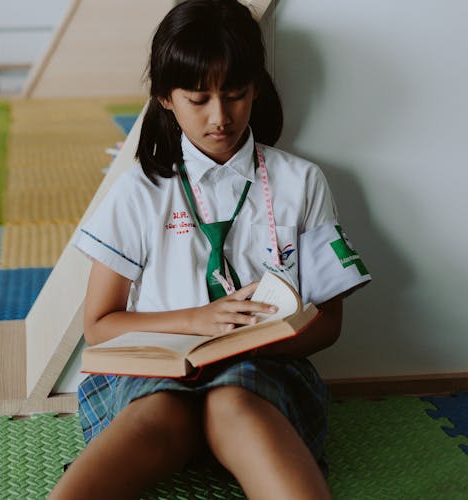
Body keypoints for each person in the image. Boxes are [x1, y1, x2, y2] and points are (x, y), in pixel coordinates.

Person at [50, 1, 371, 498]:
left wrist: (252, 343)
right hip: (159, 372)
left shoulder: (300, 181)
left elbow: (329, 322)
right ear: (165, 98)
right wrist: (196, 321)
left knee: (234, 401)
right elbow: (100, 325)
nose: (219, 117)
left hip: (262, 371)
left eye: (236, 95)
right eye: (198, 99)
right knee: (161, 410)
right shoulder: (140, 191)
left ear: (256, 89)